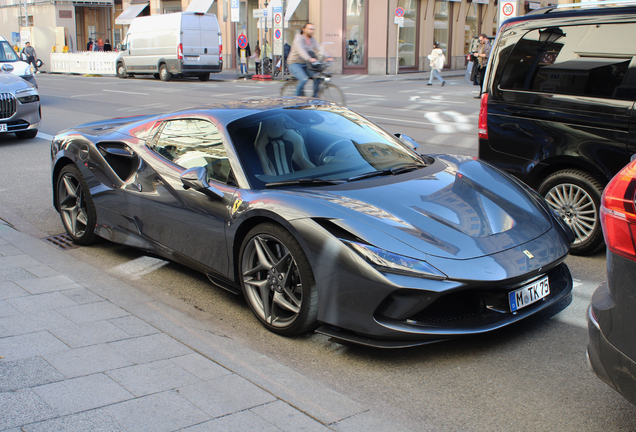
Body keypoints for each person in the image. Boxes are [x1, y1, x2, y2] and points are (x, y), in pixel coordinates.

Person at [288, 23, 331, 97]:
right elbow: (301, 51)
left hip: (306, 63)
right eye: (310, 29)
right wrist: (309, 58)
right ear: (304, 29)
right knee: (303, 79)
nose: (311, 31)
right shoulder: (298, 39)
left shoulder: (312, 40)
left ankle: (314, 99)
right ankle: (294, 98)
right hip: (294, 63)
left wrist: (327, 56)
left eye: (313, 29)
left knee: (317, 77)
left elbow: (319, 49)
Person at [473, 33, 491, 98]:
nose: (480, 41)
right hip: (480, 64)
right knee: (480, 80)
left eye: (481, 40)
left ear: (485, 38)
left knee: (483, 80)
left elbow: (487, 55)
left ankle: (483, 94)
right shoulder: (481, 45)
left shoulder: (488, 46)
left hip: (485, 65)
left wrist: (478, 55)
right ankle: (481, 93)